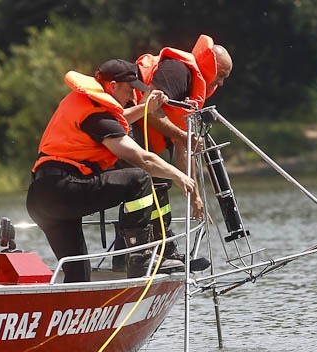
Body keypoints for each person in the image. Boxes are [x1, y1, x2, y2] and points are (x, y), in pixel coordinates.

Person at [26, 59, 201, 283]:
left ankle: (71, 315)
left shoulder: (84, 104)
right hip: (64, 189)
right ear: (113, 86)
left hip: (42, 197)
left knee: (78, 275)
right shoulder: (96, 115)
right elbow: (142, 158)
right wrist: (179, 175)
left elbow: (116, 121)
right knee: (139, 179)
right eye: (130, 91)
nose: (131, 97)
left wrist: (147, 108)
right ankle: (139, 257)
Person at [115, 35, 233, 271]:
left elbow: (183, 147)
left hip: (143, 138)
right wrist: (183, 136)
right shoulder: (178, 71)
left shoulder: (193, 91)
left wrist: (195, 197)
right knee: (143, 184)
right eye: (220, 75)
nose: (220, 83)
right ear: (211, 64)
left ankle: (165, 251)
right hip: (122, 128)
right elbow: (148, 108)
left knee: (161, 184)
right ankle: (135, 258)